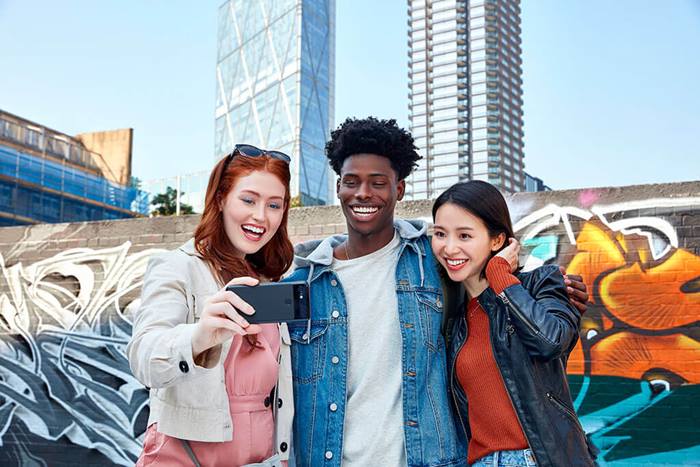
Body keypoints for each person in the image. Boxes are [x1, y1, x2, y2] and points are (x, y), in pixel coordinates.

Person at [284, 117, 590, 467]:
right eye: (351, 182)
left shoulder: (427, 261)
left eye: (378, 182)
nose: (363, 193)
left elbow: (540, 330)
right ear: (338, 187)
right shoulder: (304, 282)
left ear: (398, 190)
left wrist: (514, 276)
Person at [127, 144, 295, 467]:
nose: (261, 217)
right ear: (220, 199)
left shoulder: (269, 281)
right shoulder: (178, 266)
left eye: (274, 205)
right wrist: (199, 336)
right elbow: (143, 356)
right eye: (248, 200)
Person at [432, 180, 598, 467]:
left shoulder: (543, 283)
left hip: (539, 460)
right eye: (440, 234)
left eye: (465, 236)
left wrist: (499, 275)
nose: (449, 247)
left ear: (497, 240)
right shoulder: (454, 320)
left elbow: (549, 342)